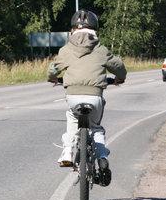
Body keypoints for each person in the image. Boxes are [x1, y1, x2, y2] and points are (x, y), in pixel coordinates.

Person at [47, 9, 127, 186]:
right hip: (95, 96)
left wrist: (53, 78)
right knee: (96, 128)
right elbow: (119, 66)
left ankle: (67, 152)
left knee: (71, 117)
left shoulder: (66, 49)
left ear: (73, 30)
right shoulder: (100, 49)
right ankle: (102, 157)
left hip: (73, 95)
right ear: (95, 30)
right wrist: (119, 78)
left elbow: (53, 69)